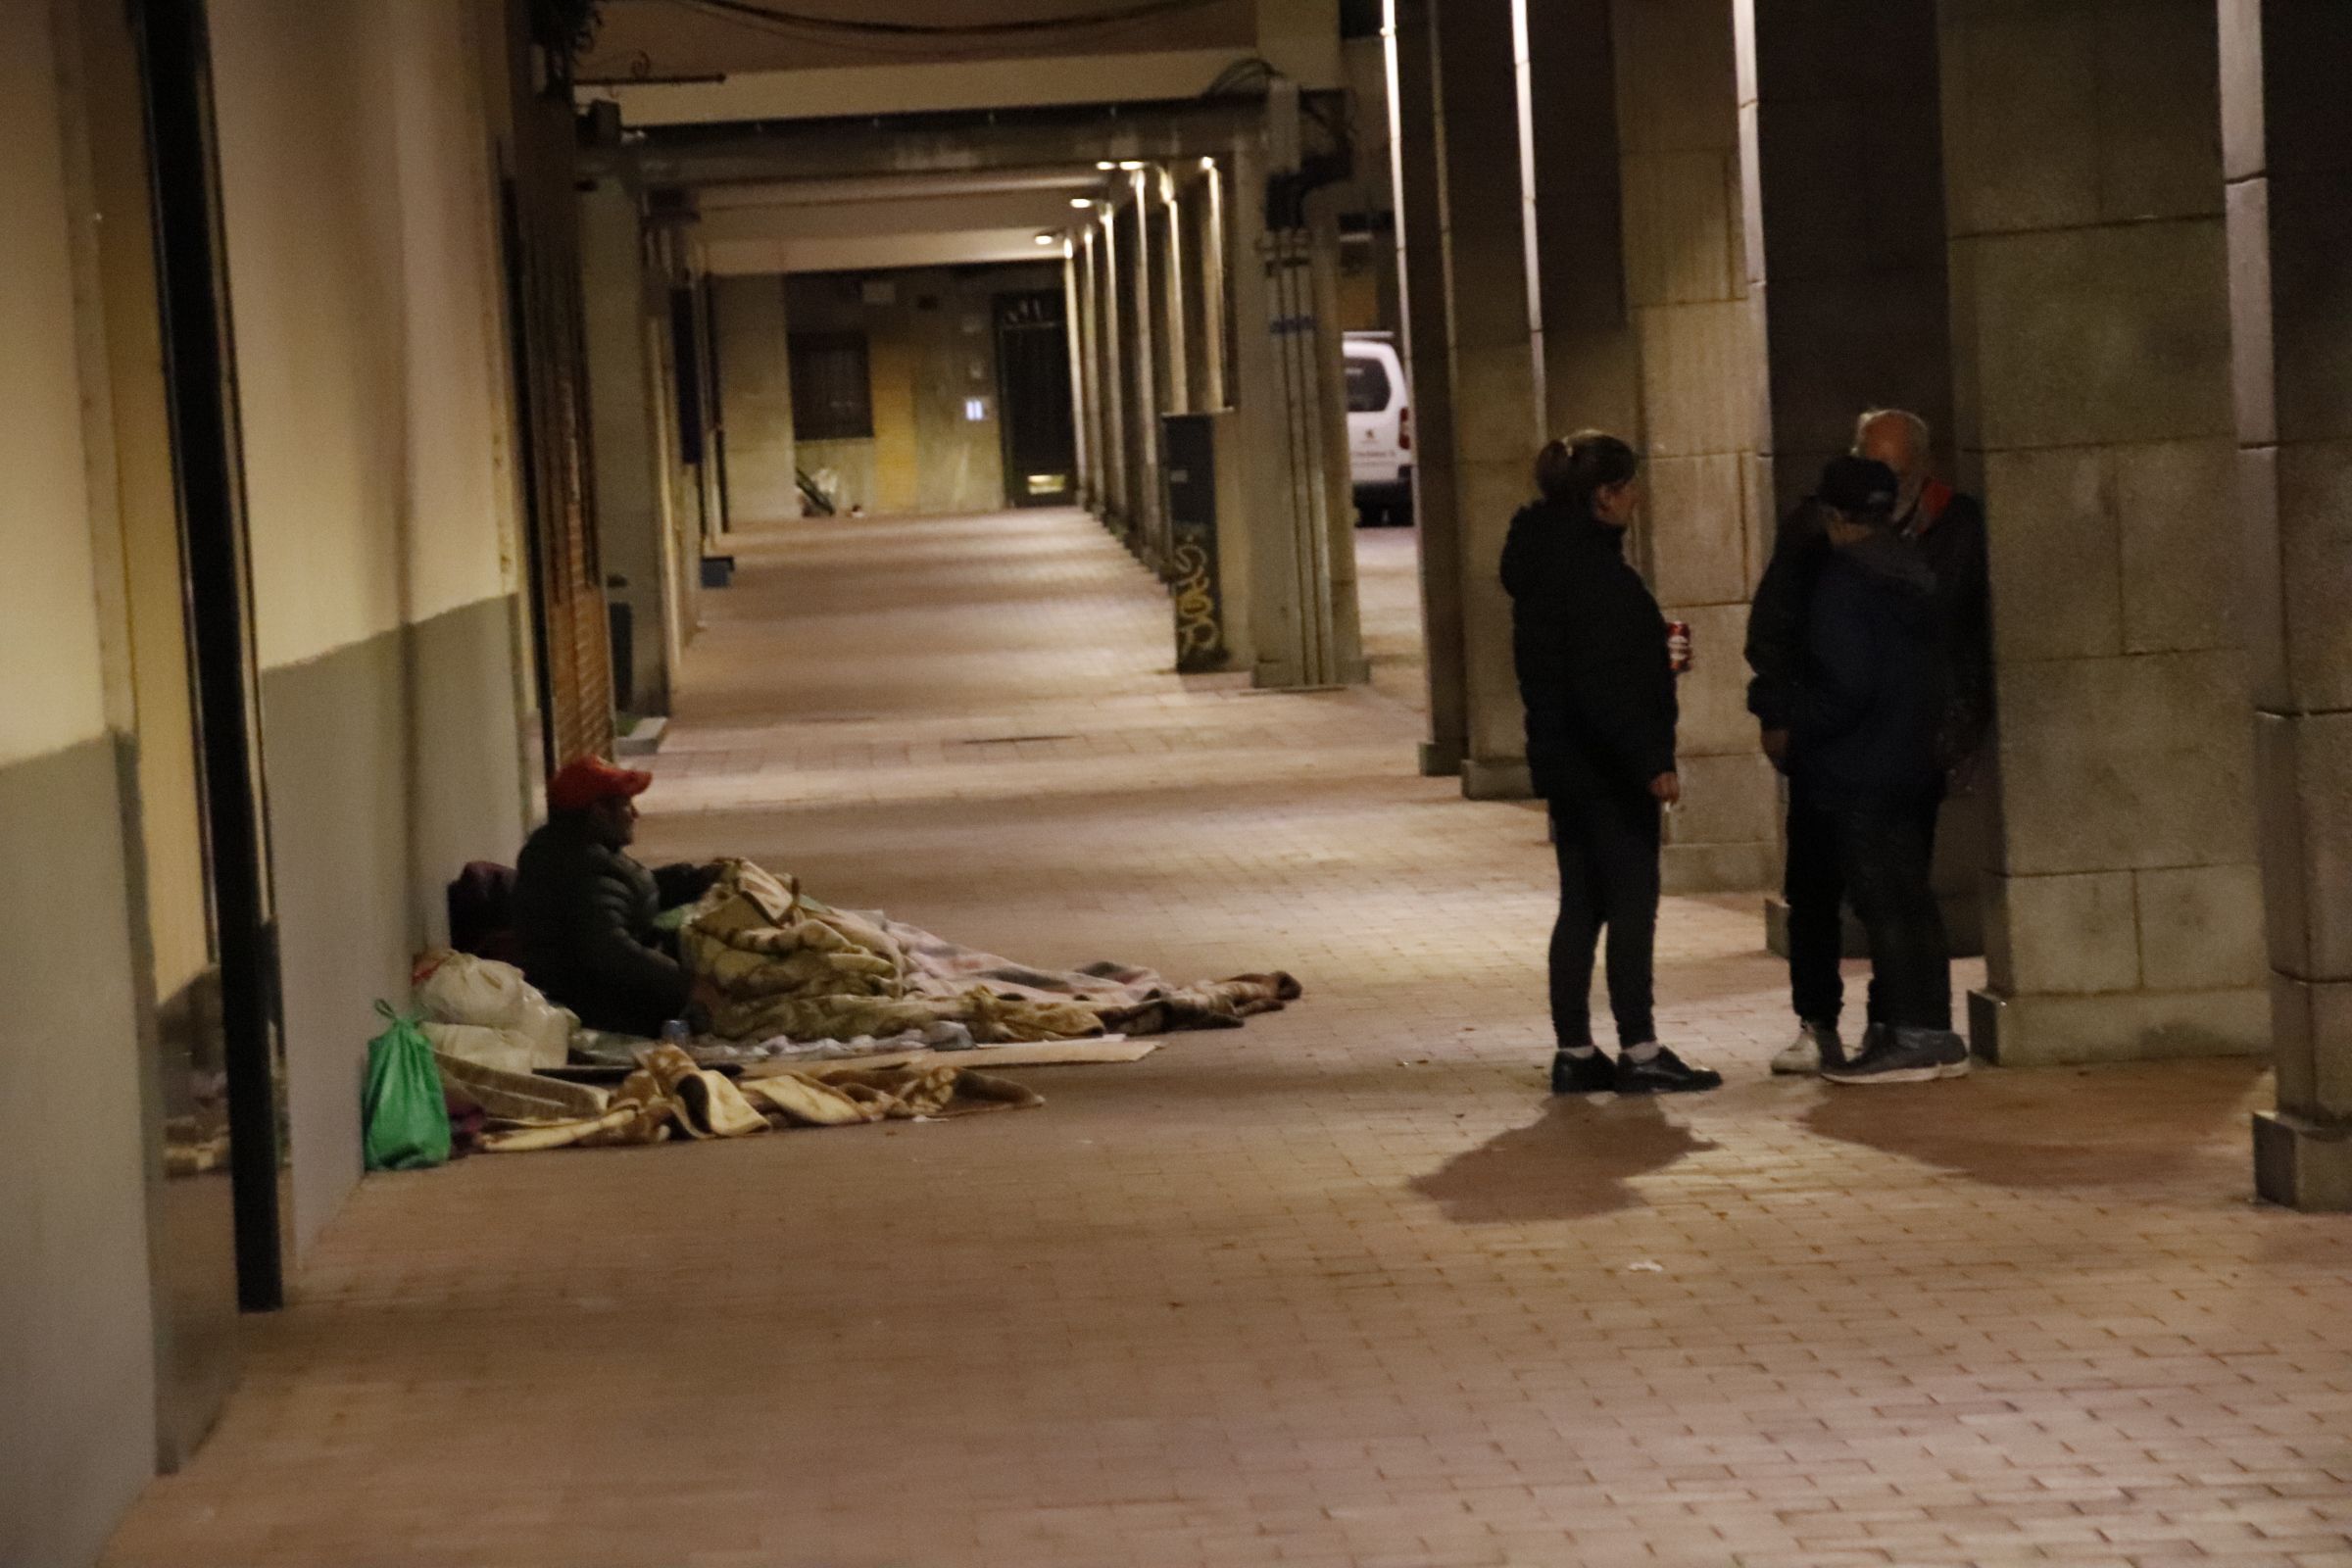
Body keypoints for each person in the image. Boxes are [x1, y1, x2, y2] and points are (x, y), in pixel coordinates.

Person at [1745, 410, 1989, 1074]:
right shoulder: (1817, 533)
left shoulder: (1954, 526)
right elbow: (1775, 621)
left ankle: (1899, 1025)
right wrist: (1777, 714)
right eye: (1872, 465)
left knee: (1895, 889)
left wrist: (1960, 731)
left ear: (1922, 466)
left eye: (1897, 470)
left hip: (1890, 743)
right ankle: (1820, 1020)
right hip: (1838, 747)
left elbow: (1969, 638)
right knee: (1821, 885)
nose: (1886, 484)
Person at [1503, 431, 1722, 1096]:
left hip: (1565, 760)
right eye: (1628, 487)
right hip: (1609, 766)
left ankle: (1575, 1049)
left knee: (1581, 904)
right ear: (1603, 496)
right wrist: (1652, 757)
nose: (1636, 499)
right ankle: (1640, 1047)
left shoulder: (1543, 562)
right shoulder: (1595, 575)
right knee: (1630, 904)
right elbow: (1605, 683)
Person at [512, 757, 724, 1038]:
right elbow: (611, 949)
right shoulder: (580, 868)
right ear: (600, 811)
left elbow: (627, 896)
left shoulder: (580, 852)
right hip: (600, 1005)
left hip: (601, 989)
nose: (635, 814)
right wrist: (687, 984)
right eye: (626, 804)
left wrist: (692, 880)